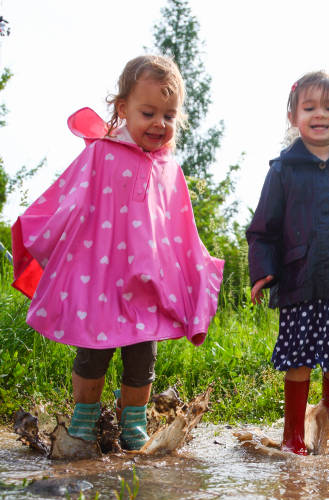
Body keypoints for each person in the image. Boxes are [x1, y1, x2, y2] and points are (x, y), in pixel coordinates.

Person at [12, 55, 224, 451]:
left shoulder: (169, 171)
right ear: (122, 109)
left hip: (146, 288)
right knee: (92, 356)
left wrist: (196, 273)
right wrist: (37, 231)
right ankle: (83, 424)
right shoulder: (100, 155)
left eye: (169, 115)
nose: (159, 123)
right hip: (99, 283)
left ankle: (133, 425)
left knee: (142, 361)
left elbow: (181, 233)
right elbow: (68, 201)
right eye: (148, 112)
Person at [246, 71, 329, 455]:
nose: (320, 114)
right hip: (297, 284)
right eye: (310, 107)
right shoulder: (283, 170)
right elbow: (262, 231)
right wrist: (263, 273)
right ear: (293, 117)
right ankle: (294, 440)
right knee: (298, 359)